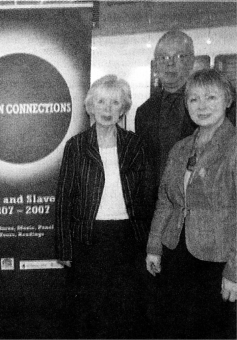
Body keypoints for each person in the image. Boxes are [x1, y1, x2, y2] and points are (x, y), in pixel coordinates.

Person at [55, 75, 151, 338]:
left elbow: (146, 196)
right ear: (91, 106)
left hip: (128, 238)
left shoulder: (136, 145)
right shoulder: (76, 146)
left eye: (115, 102)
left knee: (124, 310)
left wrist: (151, 245)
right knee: (90, 311)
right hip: (89, 238)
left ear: (124, 108)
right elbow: (64, 199)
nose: (107, 109)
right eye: (101, 102)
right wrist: (64, 247)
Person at [146, 69, 237, 339]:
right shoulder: (181, 147)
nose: (202, 106)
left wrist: (234, 271)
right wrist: (154, 246)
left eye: (211, 97)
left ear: (228, 100)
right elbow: (166, 201)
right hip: (177, 253)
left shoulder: (233, 148)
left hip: (218, 260)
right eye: (194, 99)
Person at [135, 29, 235, 212]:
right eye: (163, 57)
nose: (170, 63)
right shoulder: (144, 112)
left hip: (209, 209)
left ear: (192, 61)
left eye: (179, 56)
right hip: (157, 210)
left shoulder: (218, 108)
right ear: (155, 65)